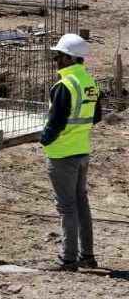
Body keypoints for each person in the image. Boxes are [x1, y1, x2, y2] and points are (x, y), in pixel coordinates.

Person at [38, 33, 102, 272]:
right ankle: (87, 255)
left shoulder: (64, 85)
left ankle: (68, 259)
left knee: (67, 208)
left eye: (58, 57)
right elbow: (96, 116)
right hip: (82, 150)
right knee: (81, 204)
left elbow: (55, 123)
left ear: (67, 59)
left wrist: (43, 139)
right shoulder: (90, 83)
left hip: (62, 154)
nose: (56, 61)